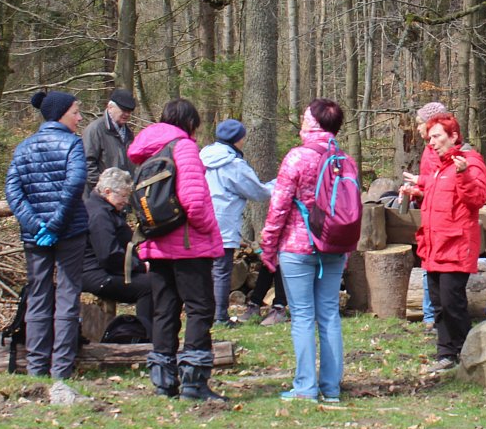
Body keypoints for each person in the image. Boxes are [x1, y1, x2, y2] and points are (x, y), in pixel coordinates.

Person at [128, 98, 225, 401]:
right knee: (200, 308)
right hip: (188, 245)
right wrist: (209, 228)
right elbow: (194, 201)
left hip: (156, 242)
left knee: (165, 310)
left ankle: (163, 381)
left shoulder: (147, 151)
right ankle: (194, 382)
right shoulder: (183, 147)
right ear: (190, 123)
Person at [261, 100, 351, 402]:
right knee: (329, 315)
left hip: (297, 247)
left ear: (314, 123)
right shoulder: (343, 160)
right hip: (334, 246)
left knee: (302, 316)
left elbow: (279, 206)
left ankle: (305, 387)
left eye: (304, 117)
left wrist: (268, 246)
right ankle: (331, 387)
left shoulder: (297, 157)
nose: (301, 121)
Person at [5, 90, 90, 405]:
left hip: (38, 236)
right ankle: (60, 370)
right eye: (75, 112)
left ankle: (36, 367)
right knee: (67, 297)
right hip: (69, 232)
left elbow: (13, 190)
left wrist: (35, 225)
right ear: (61, 113)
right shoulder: (72, 145)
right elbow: (74, 184)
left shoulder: (24, 146)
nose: (79, 118)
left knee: (38, 296)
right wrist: (52, 225)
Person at [400, 112, 486, 374]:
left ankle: (465, 352)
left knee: (452, 304)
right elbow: (439, 194)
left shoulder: (470, 162)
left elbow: (478, 198)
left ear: (453, 136)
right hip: (434, 245)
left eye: (436, 137)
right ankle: (446, 353)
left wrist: (464, 174)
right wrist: (418, 191)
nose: (431, 143)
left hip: (456, 246)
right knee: (439, 305)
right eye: (429, 138)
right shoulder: (440, 167)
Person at [201, 119, 274, 326]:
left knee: (204, 269)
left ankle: (202, 313)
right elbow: (257, 191)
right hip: (223, 222)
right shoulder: (233, 164)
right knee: (221, 270)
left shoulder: (202, 156)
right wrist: (279, 184)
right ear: (238, 139)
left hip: (200, 220)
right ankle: (220, 317)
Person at [83, 168, 154, 338]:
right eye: (123, 196)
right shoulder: (99, 214)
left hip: (103, 271)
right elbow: (109, 255)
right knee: (151, 285)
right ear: (107, 191)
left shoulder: (103, 208)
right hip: (97, 275)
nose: (126, 201)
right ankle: (145, 334)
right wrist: (140, 267)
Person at [404, 101, 448, 330]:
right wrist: (416, 190)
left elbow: (441, 186)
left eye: (420, 123)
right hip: (429, 211)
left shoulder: (437, 152)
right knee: (428, 261)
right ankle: (431, 315)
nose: (418, 128)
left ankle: (432, 316)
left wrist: (420, 189)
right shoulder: (429, 150)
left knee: (431, 264)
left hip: (439, 216)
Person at [82, 88, 136, 196]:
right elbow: (87, 163)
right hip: (101, 196)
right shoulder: (95, 130)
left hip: (121, 196)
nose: (127, 114)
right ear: (110, 107)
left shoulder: (128, 133)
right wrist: (102, 190)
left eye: (129, 111)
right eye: (123, 110)